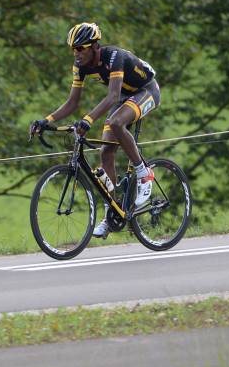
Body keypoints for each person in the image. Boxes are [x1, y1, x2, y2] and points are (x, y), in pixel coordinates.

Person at [29, 22, 160, 238]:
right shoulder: (79, 66)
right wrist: (46, 120)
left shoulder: (114, 57)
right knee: (105, 152)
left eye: (80, 48)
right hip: (125, 98)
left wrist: (88, 120)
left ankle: (144, 173)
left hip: (146, 91)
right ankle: (113, 211)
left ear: (94, 46)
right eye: (73, 49)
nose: (76, 53)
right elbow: (72, 102)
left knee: (116, 123)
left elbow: (113, 96)